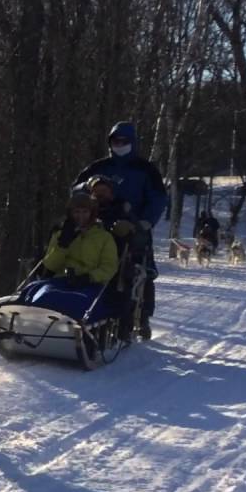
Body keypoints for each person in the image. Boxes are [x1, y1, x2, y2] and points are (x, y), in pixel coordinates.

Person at [73, 121, 167, 339]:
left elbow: (159, 198)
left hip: (132, 224)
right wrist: (89, 186)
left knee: (138, 269)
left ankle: (141, 316)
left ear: (132, 143)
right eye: (116, 141)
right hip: (96, 222)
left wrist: (144, 222)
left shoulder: (145, 169)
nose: (119, 144)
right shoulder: (98, 167)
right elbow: (76, 187)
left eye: (124, 141)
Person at [17, 193, 119, 321]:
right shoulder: (61, 234)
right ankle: (22, 316)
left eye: (85, 212)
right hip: (62, 280)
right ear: (70, 213)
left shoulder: (104, 237)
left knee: (67, 300)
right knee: (36, 291)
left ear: (92, 213)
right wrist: (62, 245)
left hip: (90, 284)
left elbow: (109, 267)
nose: (80, 216)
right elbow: (50, 265)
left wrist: (89, 277)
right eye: (76, 212)